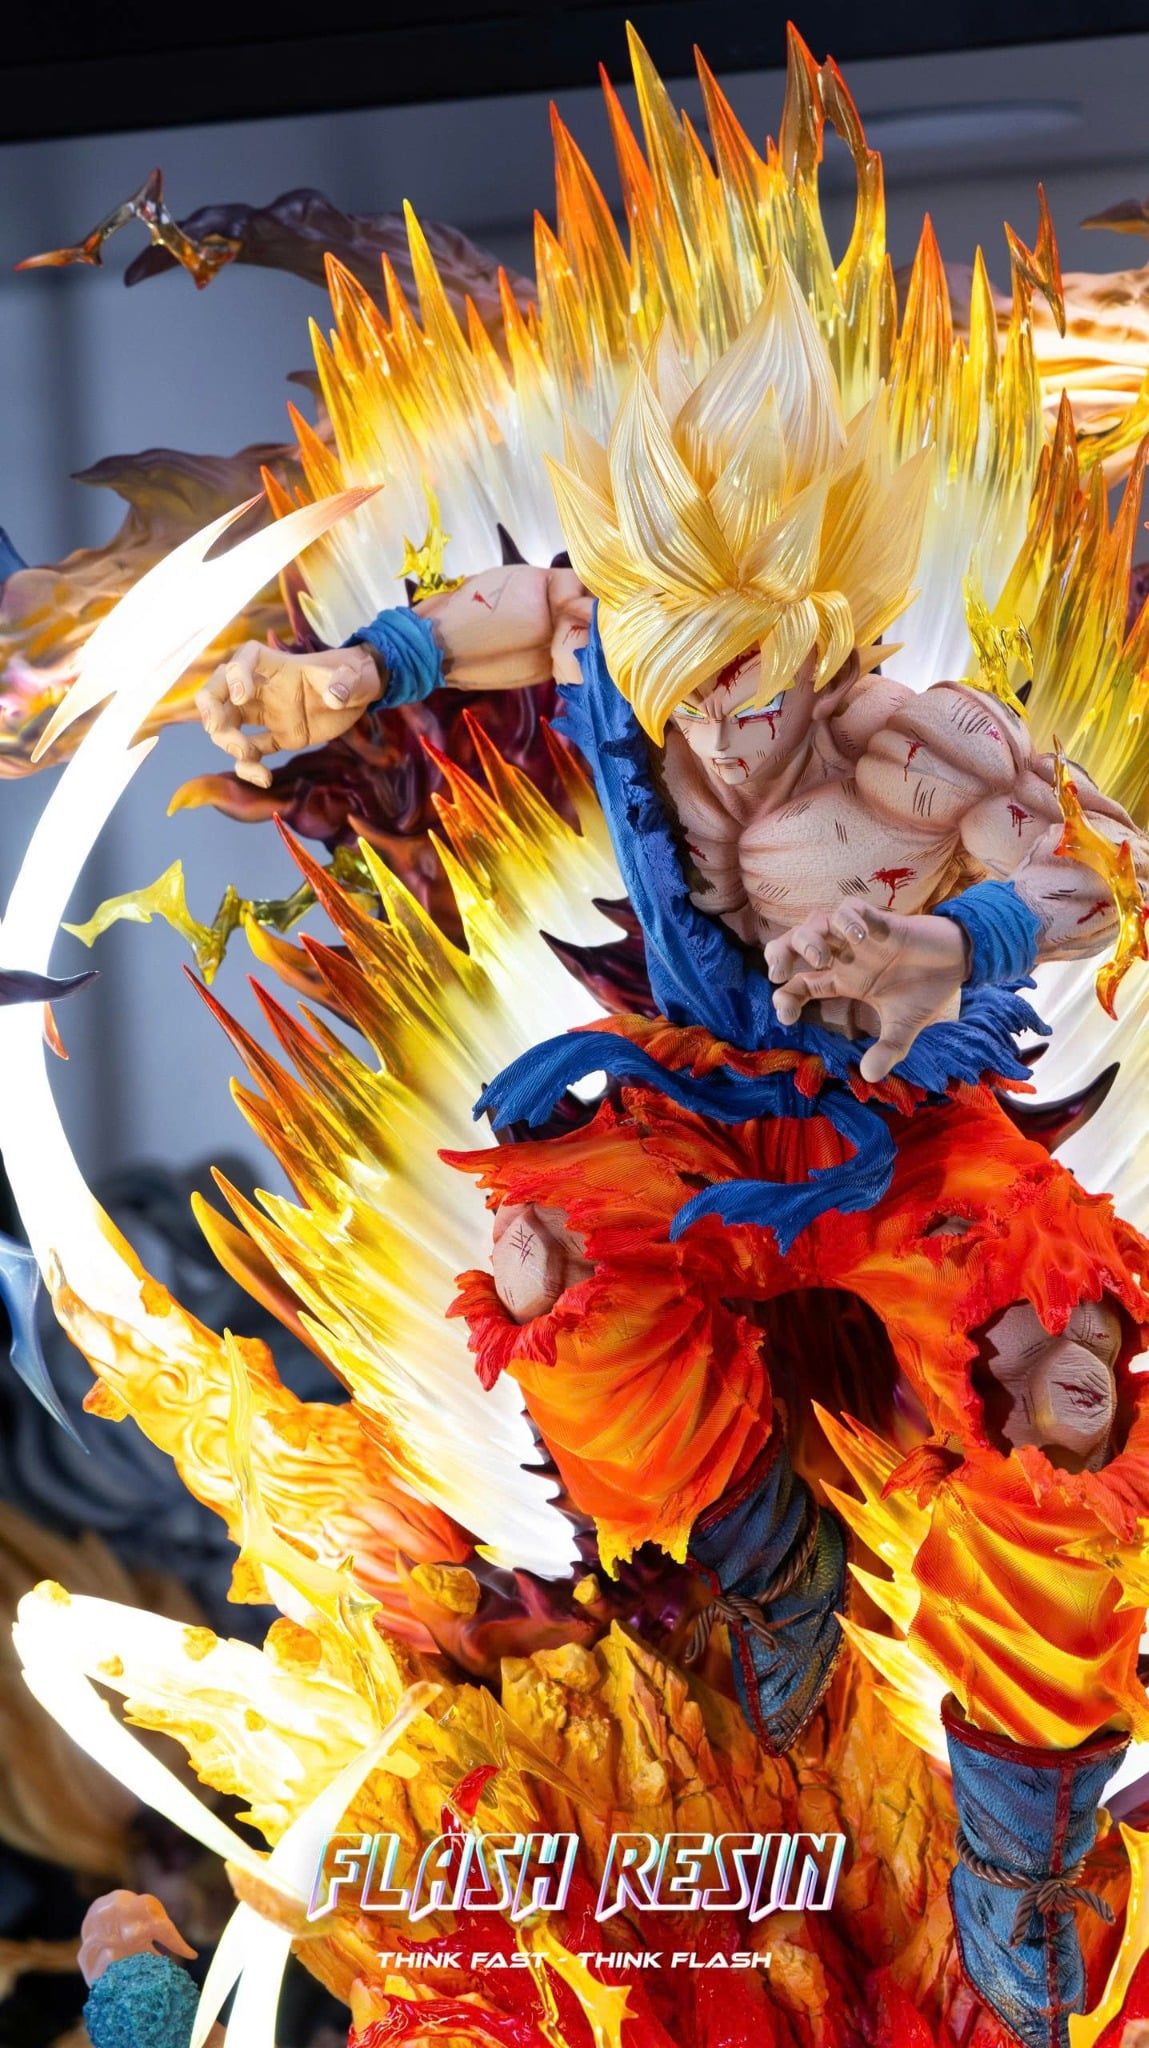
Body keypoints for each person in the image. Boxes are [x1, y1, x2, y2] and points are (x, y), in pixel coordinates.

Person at [187, 273, 1149, 2048]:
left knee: (1059, 1383)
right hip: (693, 1109)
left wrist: (950, 946)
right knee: (556, 1275)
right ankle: (766, 1579)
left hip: (898, 1121)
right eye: (675, 664)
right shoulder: (618, 630)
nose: (706, 710)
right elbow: (490, 620)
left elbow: (1105, 865)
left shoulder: (917, 740)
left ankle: (1023, 1852)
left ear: (821, 622)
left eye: (744, 668)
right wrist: (345, 674)